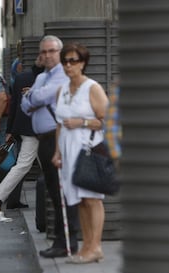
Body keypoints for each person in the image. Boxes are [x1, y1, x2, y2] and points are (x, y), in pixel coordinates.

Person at [21, 35, 79, 258]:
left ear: (61, 52)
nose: (47, 55)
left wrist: (32, 97)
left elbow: (36, 99)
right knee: (54, 192)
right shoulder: (42, 77)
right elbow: (26, 105)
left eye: (51, 51)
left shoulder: (63, 75)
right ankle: (62, 241)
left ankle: (66, 242)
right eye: (43, 52)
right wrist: (33, 98)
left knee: (62, 192)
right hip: (44, 140)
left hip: (59, 139)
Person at [52, 42, 109, 264]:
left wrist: (82, 121)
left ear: (83, 63)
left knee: (92, 199)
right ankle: (86, 246)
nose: (68, 65)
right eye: (65, 61)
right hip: (68, 151)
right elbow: (59, 124)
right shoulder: (62, 89)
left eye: (73, 61)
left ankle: (95, 246)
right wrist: (57, 152)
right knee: (80, 200)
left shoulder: (92, 88)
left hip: (90, 150)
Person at [0, 55, 45, 222]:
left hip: (26, 129)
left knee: (24, 165)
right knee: (40, 167)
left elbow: (13, 106)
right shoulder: (49, 79)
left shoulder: (21, 78)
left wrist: (11, 129)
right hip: (41, 129)